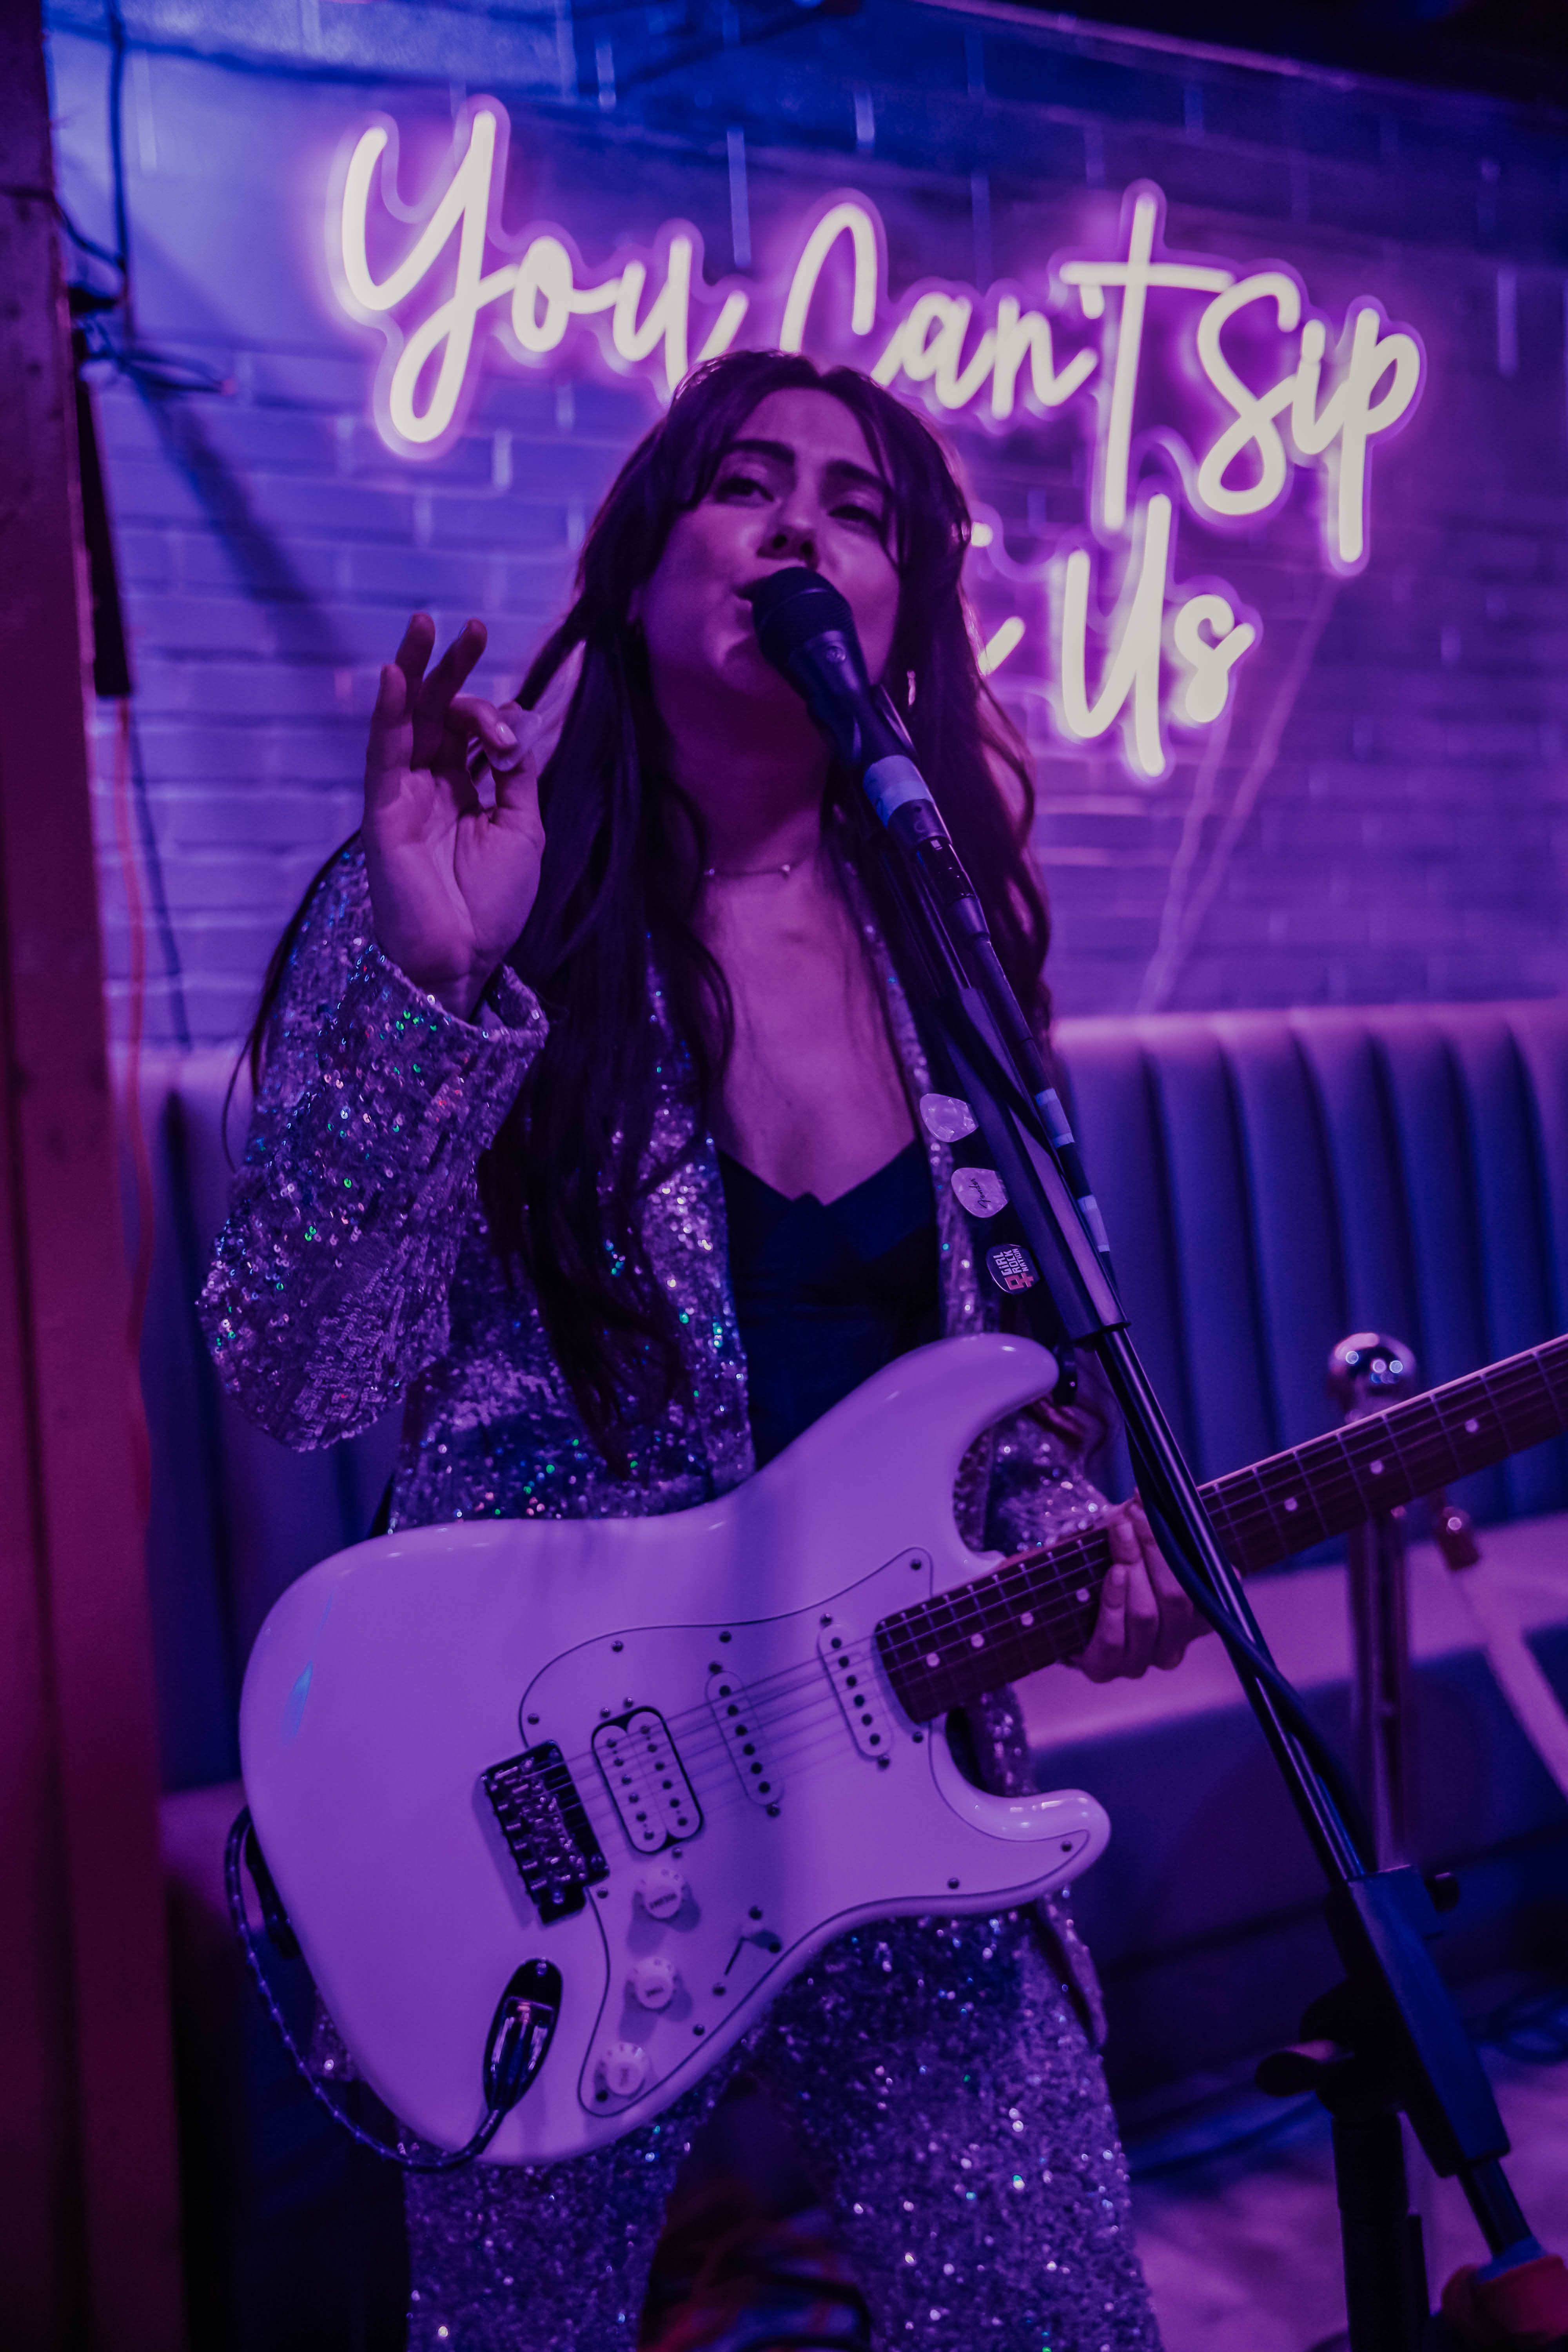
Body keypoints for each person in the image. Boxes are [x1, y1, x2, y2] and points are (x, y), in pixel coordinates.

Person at [202, 347, 1194, 2352]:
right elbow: (300, 1372)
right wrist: (432, 981)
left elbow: (1002, 1399)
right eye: (749, 484)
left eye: (860, 509)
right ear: (647, 556)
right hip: (544, 1793)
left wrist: (1074, 1541)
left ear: (903, 606)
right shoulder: (475, 893)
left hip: (896, 1767)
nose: (803, 525)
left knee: (1051, 2313)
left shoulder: (950, 946)